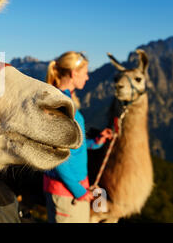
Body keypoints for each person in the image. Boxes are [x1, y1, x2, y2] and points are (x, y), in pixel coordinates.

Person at [43, 51, 113, 223]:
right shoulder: (61, 104)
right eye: (86, 72)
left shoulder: (64, 98)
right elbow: (57, 156)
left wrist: (96, 142)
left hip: (72, 187)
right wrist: (79, 191)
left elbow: (71, 144)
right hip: (68, 192)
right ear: (74, 74)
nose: (88, 77)